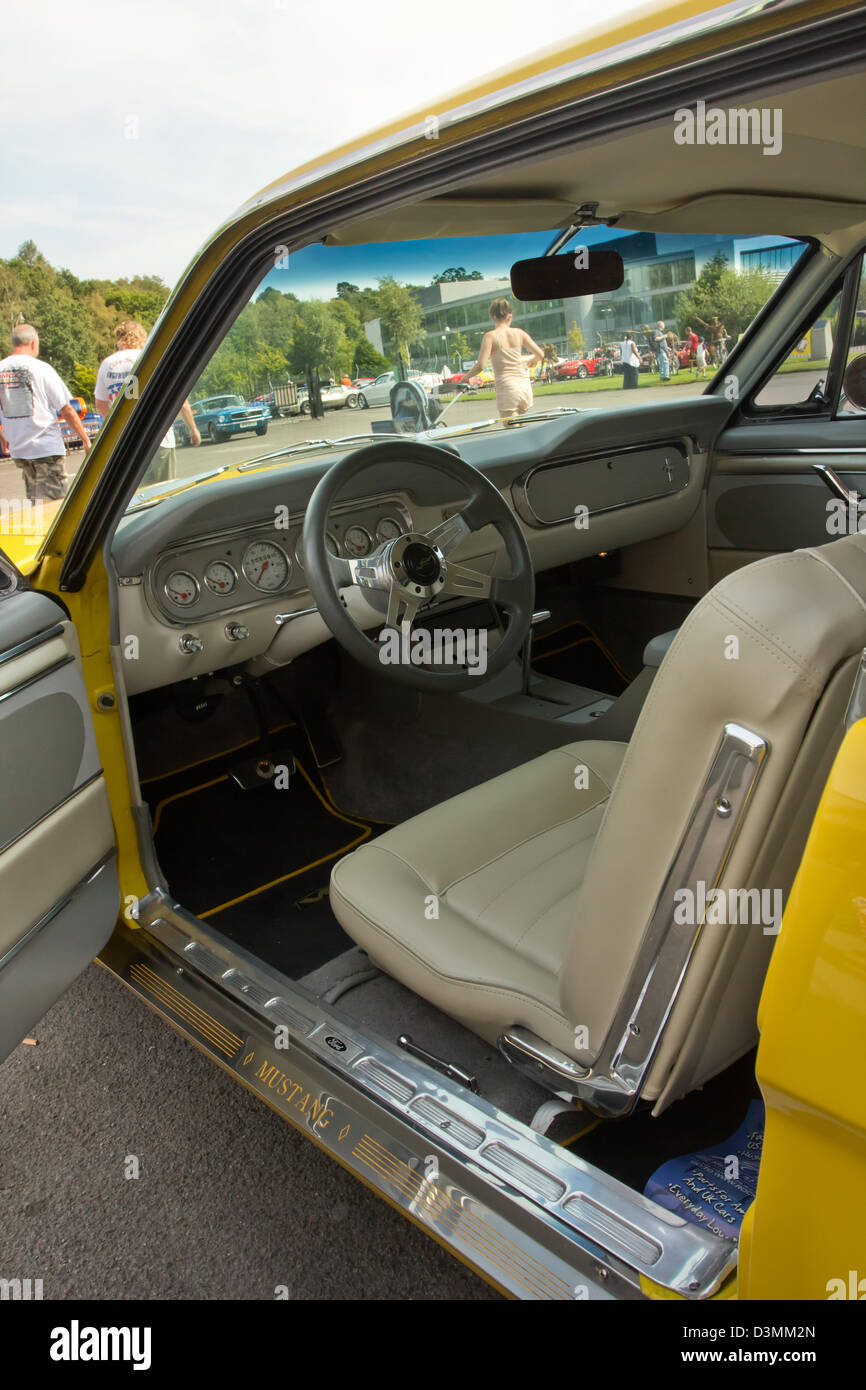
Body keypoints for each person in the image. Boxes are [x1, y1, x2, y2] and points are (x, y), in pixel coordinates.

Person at [95, 321, 200, 484]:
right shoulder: (152, 358)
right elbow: (179, 399)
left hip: (127, 443)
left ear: (118, 339)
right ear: (141, 336)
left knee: (136, 495)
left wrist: (118, 430)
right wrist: (193, 429)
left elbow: (101, 403)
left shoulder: (107, 364)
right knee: (163, 493)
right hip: (158, 437)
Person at [0, 323, 91, 500]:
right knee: (55, 506)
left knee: (36, 503)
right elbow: (66, 409)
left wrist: (3, 437)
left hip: (20, 449)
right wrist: (85, 439)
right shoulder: (41, 368)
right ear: (34, 343)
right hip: (45, 448)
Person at [460, 298, 543, 419]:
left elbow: (481, 365)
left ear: (492, 316)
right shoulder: (519, 333)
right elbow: (540, 354)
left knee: (511, 430)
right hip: (524, 387)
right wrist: (533, 361)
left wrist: (464, 378)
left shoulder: (490, 337)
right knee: (520, 428)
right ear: (510, 316)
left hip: (507, 388)